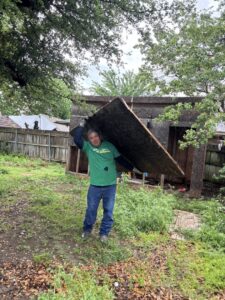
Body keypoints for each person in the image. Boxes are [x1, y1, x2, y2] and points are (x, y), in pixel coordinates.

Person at [71, 121, 134, 242]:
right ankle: (87, 229)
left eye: (95, 136)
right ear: (89, 140)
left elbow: (121, 159)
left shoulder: (109, 146)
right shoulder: (88, 148)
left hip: (110, 186)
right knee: (91, 210)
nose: (94, 139)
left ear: (99, 136)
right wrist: (81, 125)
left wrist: (133, 168)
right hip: (95, 186)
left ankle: (104, 233)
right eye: (91, 138)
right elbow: (77, 139)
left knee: (108, 211)